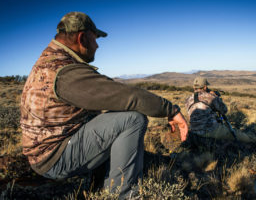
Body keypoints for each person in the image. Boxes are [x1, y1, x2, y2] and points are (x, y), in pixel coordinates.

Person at [20, 12, 188, 199]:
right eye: (95, 38)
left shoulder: (51, 61)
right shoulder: (64, 72)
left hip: (47, 152)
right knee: (132, 120)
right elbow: (126, 96)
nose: (98, 45)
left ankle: (102, 182)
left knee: (113, 114)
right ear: (82, 38)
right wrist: (171, 110)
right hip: (54, 158)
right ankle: (122, 194)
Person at [185, 77, 256, 145]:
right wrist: (215, 97)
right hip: (210, 130)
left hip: (194, 130)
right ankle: (252, 138)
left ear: (194, 87)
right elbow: (224, 110)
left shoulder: (188, 99)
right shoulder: (210, 97)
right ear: (205, 87)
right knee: (234, 132)